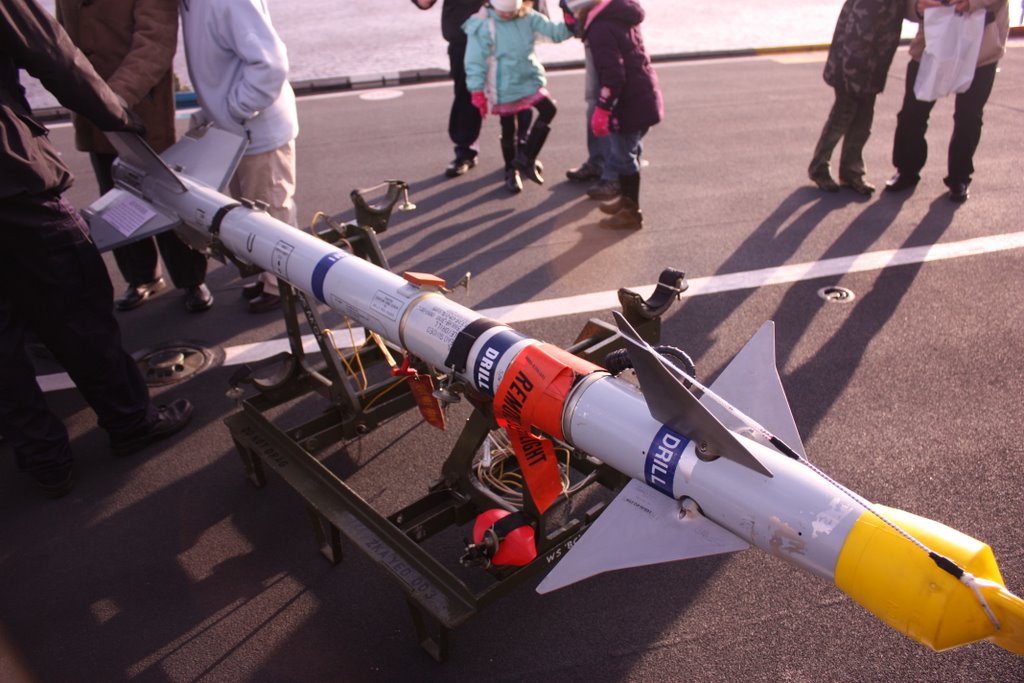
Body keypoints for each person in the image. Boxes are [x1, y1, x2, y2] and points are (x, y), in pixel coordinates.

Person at [1, 0, 194, 499]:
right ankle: (131, 420)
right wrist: (116, 114)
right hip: (12, 181)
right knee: (76, 300)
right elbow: (55, 55)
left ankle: (43, 458)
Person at [55, 0, 213, 314]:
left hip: (140, 111)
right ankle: (142, 277)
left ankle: (191, 279)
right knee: (115, 201)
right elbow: (60, 40)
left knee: (168, 200)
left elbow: (155, 42)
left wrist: (114, 97)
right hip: (93, 115)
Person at [180, 0, 300, 313]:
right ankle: (269, 277)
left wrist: (235, 110)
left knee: (274, 212)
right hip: (236, 129)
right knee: (253, 213)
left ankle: (284, 287)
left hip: (256, 129)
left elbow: (271, 63)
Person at [884, 0, 1009, 203]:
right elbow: (905, 5)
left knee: (968, 117)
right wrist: (917, 7)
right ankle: (906, 169)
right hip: (932, 44)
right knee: (912, 112)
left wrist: (971, 3)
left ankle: (959, 177)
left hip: (980, 46)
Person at [464, 0, 573, 193]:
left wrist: (572, 18)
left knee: (549, 110)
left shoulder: (527, 16)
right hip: (503, 85)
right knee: (509, 129)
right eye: (503, 12)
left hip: (529, 79)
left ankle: (526, 159)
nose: (507, 15)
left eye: (511, 12)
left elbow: (555, 32)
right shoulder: (482, 24)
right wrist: (477, 90)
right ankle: (511, 172)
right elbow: (474, 60)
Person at [572, 0, 662, 230]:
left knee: (624, 157)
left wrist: (603, 107)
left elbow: (613, 73)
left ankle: (632, 212)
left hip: (628, 102)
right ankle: (626, 201)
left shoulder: (601, 26)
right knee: (629, 151)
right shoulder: (622, 13)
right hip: (644, 94)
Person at [807, 0, 905, 196]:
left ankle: (851, 172)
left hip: (871, 69)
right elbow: (855, 34)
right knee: (840, 119)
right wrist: (853, 75)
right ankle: (818, 167)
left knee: (863, 122)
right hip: (851, 68)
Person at [412, 0, 486, 178]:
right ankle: (465, 151)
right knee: (465, 96)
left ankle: (522, 150)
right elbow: (424, 3)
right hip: (462, 39)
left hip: (505, 35)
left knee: (514, 93)